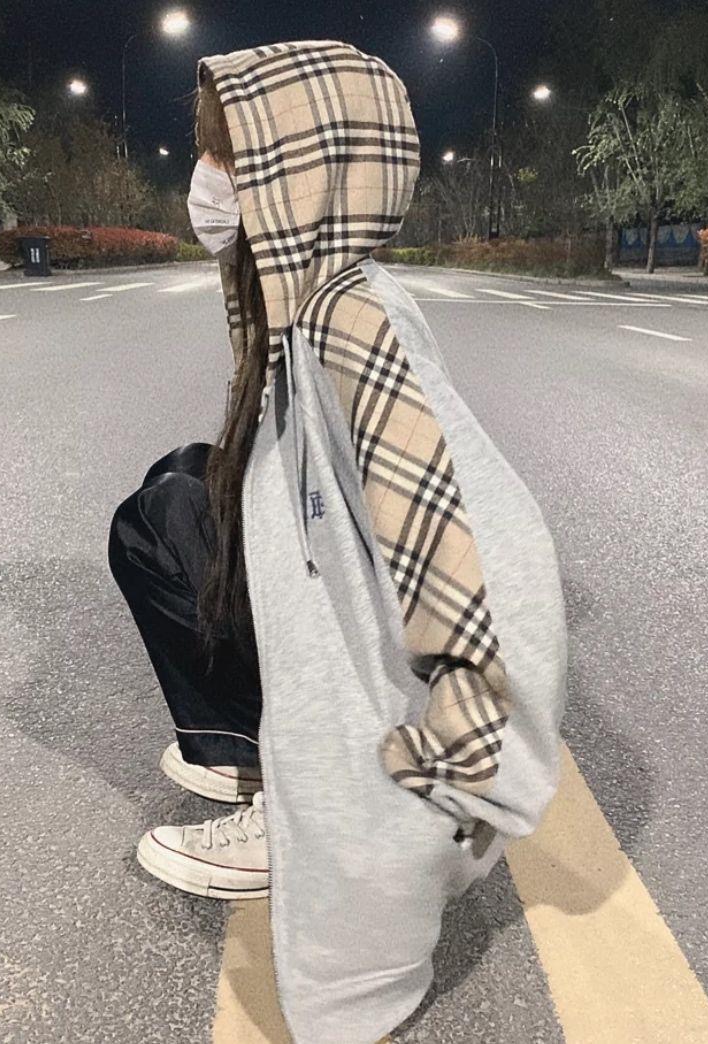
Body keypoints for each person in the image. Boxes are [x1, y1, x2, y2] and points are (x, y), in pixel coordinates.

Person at [108, 40, 568, 1043]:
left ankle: (299, 812)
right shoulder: (306, 303)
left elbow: (472, 543)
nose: (209, 184)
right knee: (171, 499)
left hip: (371, 665)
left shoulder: (353, 321)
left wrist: (458, 747)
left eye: (230, 159)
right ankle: (261, 752)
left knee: (176, 506)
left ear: (303, 174)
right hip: (331, 605)